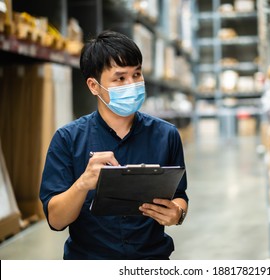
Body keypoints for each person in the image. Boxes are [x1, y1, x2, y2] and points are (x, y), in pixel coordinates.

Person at [39, 30, 188, 260]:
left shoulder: (166, 135)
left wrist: (177, 214)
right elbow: (56, 220)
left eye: (136, 74)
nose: (132, 84)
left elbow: (179, 195)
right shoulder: (67, 139)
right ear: (94, 85)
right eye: (120, 78)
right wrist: (82, 184)